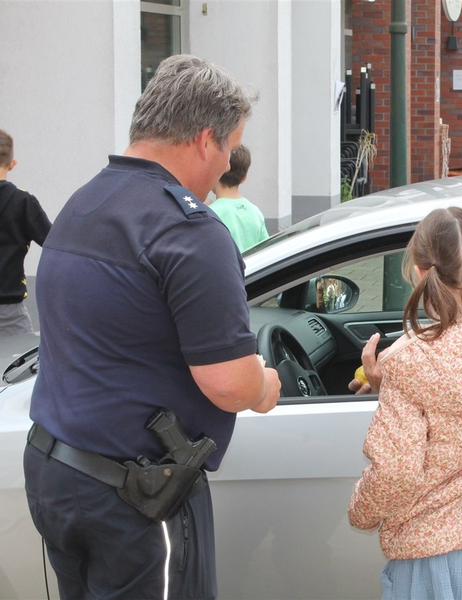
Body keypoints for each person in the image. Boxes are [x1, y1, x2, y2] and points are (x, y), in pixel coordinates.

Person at [23, 54, 281, 599]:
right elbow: (229, 383)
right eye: (230, 147)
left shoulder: (85, 202)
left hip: (56, 472)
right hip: (135, 496)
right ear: (206, 139)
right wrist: (263, 386)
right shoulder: (188, 231)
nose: (226, 164)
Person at [347, 206, 462, 600]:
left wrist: (360, 511)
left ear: (418, 270)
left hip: (430, 560)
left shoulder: (409, 363)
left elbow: (397, 471)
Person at [0, 129, 51, 337]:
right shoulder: (23, 202)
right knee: (17, 368)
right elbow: (54, 243)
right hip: (10, 311)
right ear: (12, 164)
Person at [208, 143, 269, 252]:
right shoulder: (255, 212)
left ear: (215, 171)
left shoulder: (211, 213)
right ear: (244, 178)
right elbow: (266, 249)